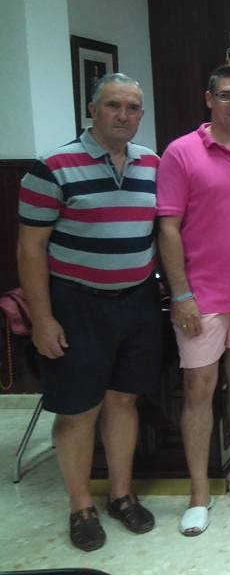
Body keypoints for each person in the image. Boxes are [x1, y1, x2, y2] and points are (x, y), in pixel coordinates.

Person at [17, 73, 161, 551]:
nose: (124, 115)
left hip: (137, 301)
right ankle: (81, 507)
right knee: (79, 410)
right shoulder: (52, 167)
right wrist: (42, 319)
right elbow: (30, 249)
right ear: (93, 110)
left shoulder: (152, 164)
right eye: (114, 105)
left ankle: (121, 496)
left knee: (123, 401)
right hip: (76, 305)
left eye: (133, 108)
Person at [157, 64, 230, 536]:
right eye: (225, 95)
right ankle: (199, 492)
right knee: (199, 388)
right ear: (209, 99)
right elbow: (168, 228)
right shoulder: (181, 152)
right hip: (200, 295)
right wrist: (181, 293)